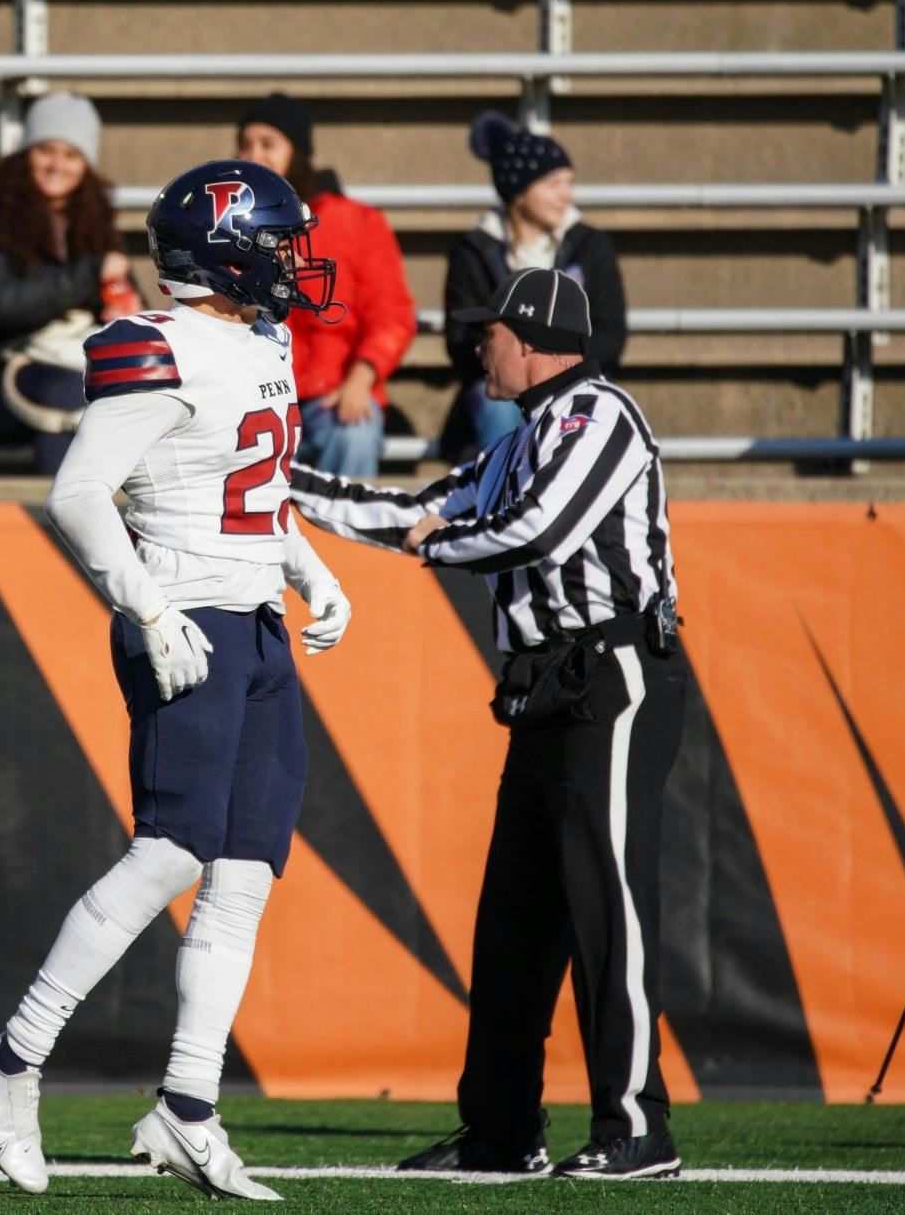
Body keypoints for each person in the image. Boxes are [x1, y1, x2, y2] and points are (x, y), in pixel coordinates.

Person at [0, 161, 353, 1201]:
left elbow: (259, 490)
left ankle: (185, 1105)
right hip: (185, 616)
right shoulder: (162, 344)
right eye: (275, 241)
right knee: (170, 849)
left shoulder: (259, 339)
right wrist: (144, 606)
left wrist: (309, 570)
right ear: (223, 249)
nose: (289, 260)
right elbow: (80, 492)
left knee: (244, 873)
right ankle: (13, 1058)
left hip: (255, 615)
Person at [291, 268, 685, 1181]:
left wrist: (440, 547)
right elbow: (408, 510)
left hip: (614, 675)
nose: (477, 348)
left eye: (491, 332)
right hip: (546, 688)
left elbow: (538, 529)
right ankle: (502, 1128)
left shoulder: (599, 414)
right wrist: (278, 480)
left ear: (537, 337)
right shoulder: (519, 440)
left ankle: (637, 1124)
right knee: (513, 919)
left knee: (609, 907)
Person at [0, 91, 142, 474]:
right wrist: (89, 275)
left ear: (87, 165)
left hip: (67, 372)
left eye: (71, 155)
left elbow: (130, 302)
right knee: (66, 393)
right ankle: (63, 528)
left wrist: (124, 309)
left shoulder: (98, 227)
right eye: (46, 150)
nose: (57, 165)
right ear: (25, 153)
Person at [236, 93, 416, 476]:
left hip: (330, 398)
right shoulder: (226, 225)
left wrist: (361, 380)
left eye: (268, 144)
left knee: (355, 433)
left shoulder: (357, 222)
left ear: (297, 153)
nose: (253, 155)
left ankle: (340, 535)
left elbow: (392, 316)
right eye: (245, 144)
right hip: (249, 397)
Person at [443, 113, 627, 460]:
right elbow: (461, 339)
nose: (567, 196)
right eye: (554, 185)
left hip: (577, 383)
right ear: (521, 191)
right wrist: (517, 368)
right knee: (497, 404)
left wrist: (549, 372)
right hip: (499, 390)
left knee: (586, 405)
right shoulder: (475, 248)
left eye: (569, 183)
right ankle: (509, 502)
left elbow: (610, 334)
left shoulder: (590, 246)